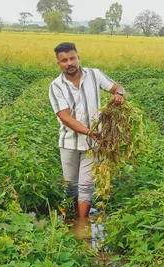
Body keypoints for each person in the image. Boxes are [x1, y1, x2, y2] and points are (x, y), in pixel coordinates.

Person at [49, 42, 126, 218]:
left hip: (93, 144)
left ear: (78, 58)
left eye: (72, 58)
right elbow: (65, 117)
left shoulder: (94, 75)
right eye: (64, 60)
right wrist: (89, 131)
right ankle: (71, 216)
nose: (70, 63)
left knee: (86, 186)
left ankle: (82, 223)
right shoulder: (56, 86)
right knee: (70, 186)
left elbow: (118, 88)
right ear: (59, 64)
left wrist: (119, 95)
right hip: (69, 142)